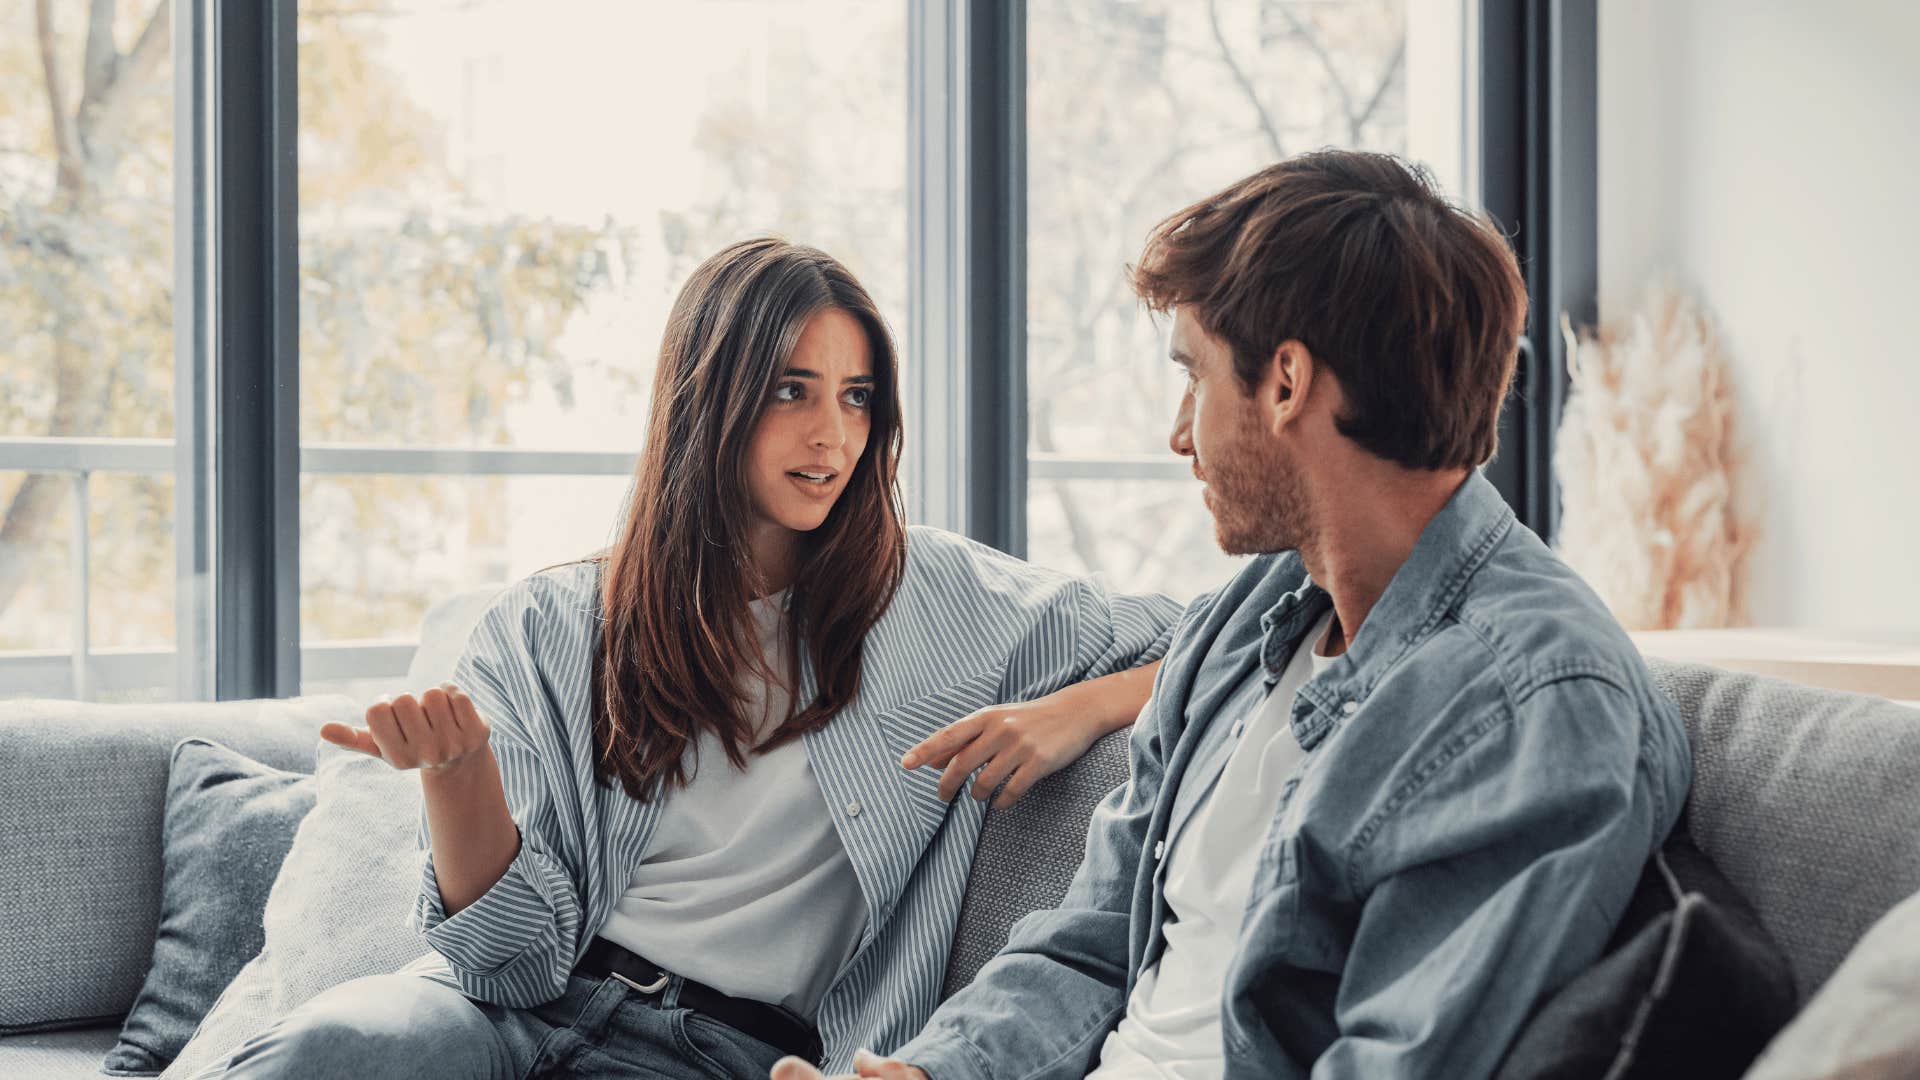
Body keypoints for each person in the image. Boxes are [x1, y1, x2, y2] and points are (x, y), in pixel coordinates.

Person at [773, 150, 1693, 1080]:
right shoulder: (1242, 624)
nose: (1179, 433)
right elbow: (1092, 942)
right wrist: (935, 1072)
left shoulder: (1537, 702)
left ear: (1286, 383)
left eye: (1195, 378)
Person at [204, 239, 1182, 1079]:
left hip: (725, 1052)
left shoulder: (951, 601)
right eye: (791, 391)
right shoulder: (548, 625)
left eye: (857, 398)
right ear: (709, 395)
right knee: (323, 1050)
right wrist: (459, 778)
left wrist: (1084, 708)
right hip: (502, 1020)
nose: (832, 435)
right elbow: (512, 967)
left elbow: (1226, 633)